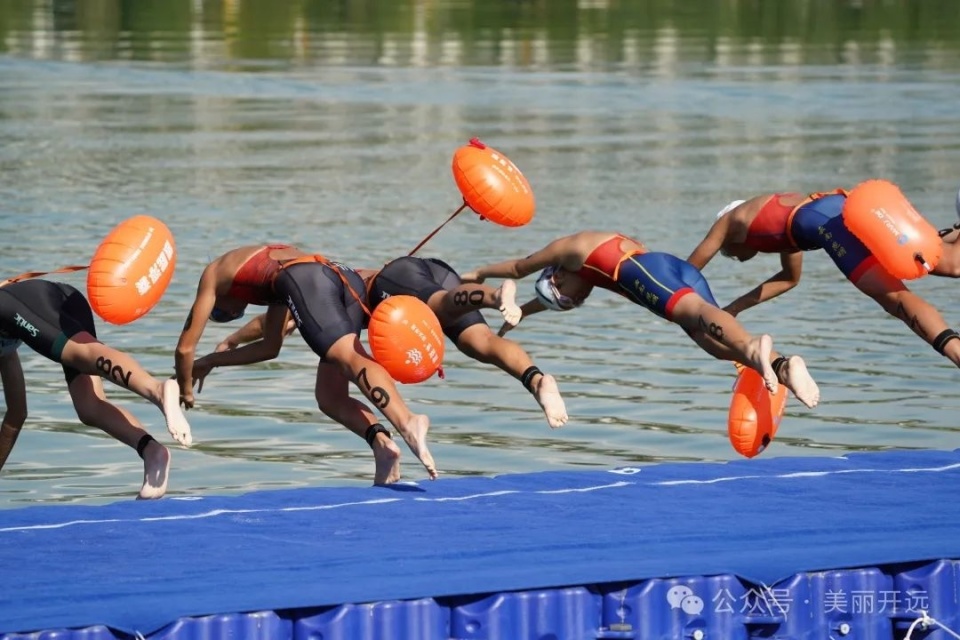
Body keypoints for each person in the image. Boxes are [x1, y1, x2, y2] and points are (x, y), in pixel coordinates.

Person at [460, 230, 821, 409]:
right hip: (672, 270)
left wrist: (479, 273)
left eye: (568, 296)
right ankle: (783, 365)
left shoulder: (571, 250)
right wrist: (525, 312)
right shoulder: (583, 271)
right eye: (572, 305)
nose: (578, 300)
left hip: (645, 275)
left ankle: (754, 347)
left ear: (557, 275)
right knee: (709, 342)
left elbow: (518, 268)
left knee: (697, 317)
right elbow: (551, 297)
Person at [177, 245, 437, 484]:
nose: (234, 314)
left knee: (348, 356)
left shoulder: (213, 275)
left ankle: (407, 421)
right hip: (344, 279)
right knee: (330, 396)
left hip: (314, 279)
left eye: (221, 313)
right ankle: (382, 446)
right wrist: (213, 360)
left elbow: (184, 348)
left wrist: (185, 390)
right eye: (228, 318)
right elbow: (270, 347)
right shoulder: (267, 275)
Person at [686, 190, 960, 367]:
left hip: (828, 220)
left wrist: (694, 317)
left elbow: (685, 275)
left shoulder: (730, 222)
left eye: (728, 253)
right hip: (851, 204)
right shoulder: (777, 227)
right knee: (951, 264)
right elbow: (789, 278)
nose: (733, 257)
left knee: (895, 298)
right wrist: (733, 310)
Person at [0, 279, 191, 499]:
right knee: (88, 406)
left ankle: (157, 390)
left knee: (81, 354)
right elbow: (16, 415)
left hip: (33, 300)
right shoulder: (5, 350)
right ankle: (151, 451)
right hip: (63, 301)